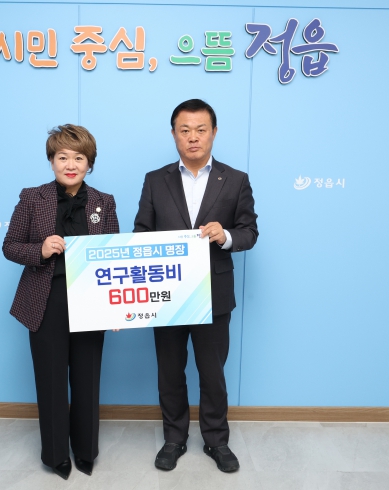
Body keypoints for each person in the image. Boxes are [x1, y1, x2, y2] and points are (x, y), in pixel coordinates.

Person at [133, 99, 258, 473]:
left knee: (212, 373)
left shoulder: (235, 180)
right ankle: (174, 438)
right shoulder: (155, 180)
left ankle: (217, 441)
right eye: (184, 130)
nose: (193, 137)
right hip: (167, 295)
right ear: (173, 134)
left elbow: (249, 232)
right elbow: (141, 233)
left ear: (214, 133)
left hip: (214, 295)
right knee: (170, 372)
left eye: (201, 129)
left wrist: (226, 235)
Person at [3, 124, 119, 480]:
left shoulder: (104, 202)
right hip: (46, 299)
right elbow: (10, 246)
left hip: (91, 301)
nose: (71, 164)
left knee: (87, 378)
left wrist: (115, 308)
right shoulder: (32, 198)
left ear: (89, 163)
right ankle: (55, 455)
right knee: (51, 380)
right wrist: (39, 250)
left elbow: (114, 257)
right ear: (52, 161)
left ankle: (86, 451)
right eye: (63, 157)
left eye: (79, 158)